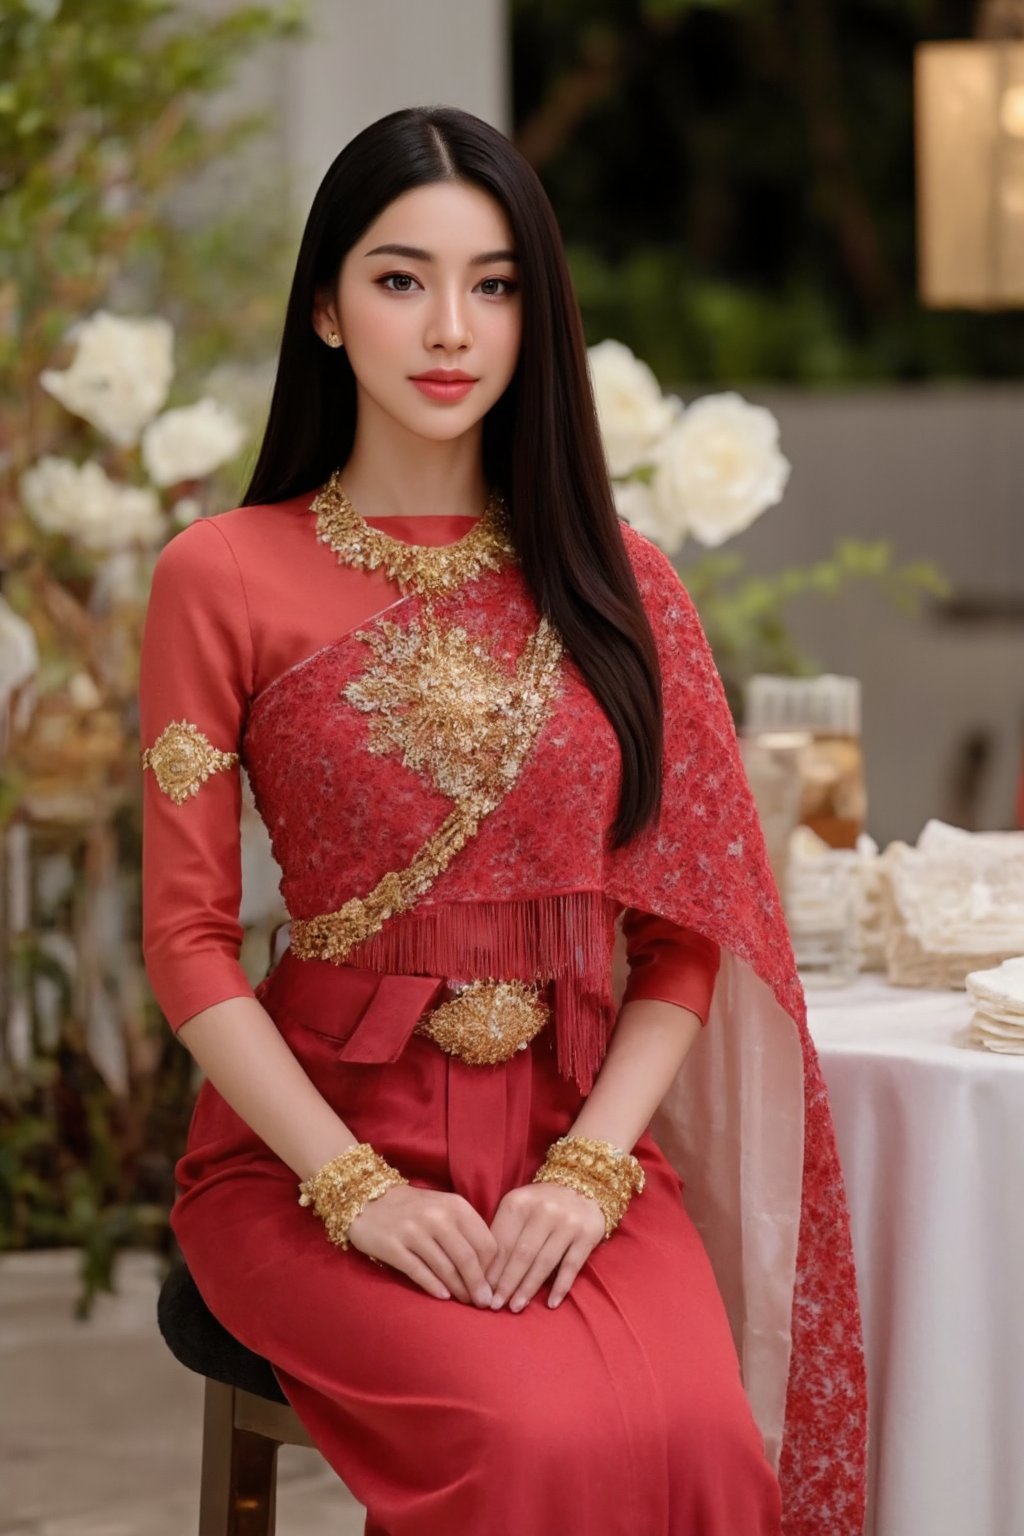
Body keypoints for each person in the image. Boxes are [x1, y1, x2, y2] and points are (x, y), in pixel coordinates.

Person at [139, 105, 867, 1536]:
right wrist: (356, 1194)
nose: (449, 327)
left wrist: (592, 1174)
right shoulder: (219, 575)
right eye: (401, 279)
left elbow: (685, 938)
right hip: (313, 1153)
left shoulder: (617, 582)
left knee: (704, 1441)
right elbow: (185, 943)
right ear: (329, 314)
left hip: (568, 1146)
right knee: (529, 1441)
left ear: (536, 315)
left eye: (495, 284)